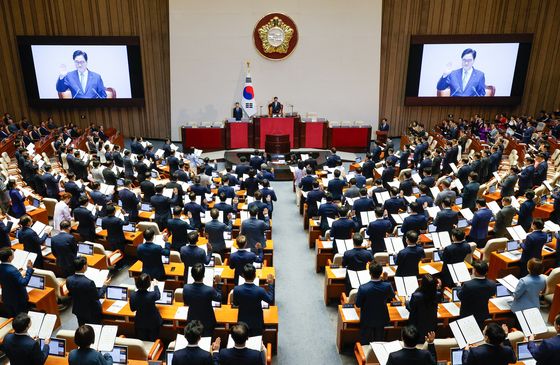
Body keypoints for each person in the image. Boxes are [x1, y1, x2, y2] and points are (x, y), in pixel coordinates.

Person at [355, 261, 395, 344]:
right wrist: (386, 280)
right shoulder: (387, 286)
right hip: (381, 317)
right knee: (379, 341)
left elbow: (358, 304)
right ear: (381, 273)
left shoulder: (363, 288)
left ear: (369, 273)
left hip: (367, 319)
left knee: (365, 341)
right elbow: (392, 296)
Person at [66, 256, 111, 325]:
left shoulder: (69, 279)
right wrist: (105, 285)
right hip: (91, 311)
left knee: (82, 327)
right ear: (84, 267)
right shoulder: (89, 282)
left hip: (78, 309)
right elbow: (97, 296)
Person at [232, 264, 274, 336]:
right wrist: (270, 284)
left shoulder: (236, 289)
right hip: (257, 322)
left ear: (243, 275)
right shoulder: (260, 290)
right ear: (254, 276)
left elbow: (235, 304)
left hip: (242, 322)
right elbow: (270, 300)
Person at [182, 263, 223, 337]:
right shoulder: (209, 290)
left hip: (192, 319)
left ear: (191, 275)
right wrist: (219, 283)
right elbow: (219, 298)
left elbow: (186, 302)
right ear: (204, 275)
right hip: (207, 321)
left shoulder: (186, 288)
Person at [458, 260, 497, 328]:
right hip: (482, 313)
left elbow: (460, 296)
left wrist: (459, 287)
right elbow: (492, 294)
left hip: (467, 314)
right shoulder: (492, 284)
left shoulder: (468, 285)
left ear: (475, 271)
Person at [0, 247, 34, 316]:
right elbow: (24, 282)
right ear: (9, 258)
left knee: (13, 315)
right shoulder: (12, 270)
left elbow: (7, 277)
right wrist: (29, 270)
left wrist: (18, 273)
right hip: (18, 299)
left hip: (7, 297)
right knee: (21, 316)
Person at [406, 275, 440, 341]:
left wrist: (406, 302)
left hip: (416, 326)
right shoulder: (437, 294)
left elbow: (411, 308)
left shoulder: (416, 296)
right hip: (431, 326)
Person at [129, 273, 162, 341]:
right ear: (148, 285)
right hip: (153, 323)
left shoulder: (133, 295)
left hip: (140, 323)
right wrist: (155, 285)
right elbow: (158, 295)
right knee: (153, 340)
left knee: (142, 339)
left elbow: (132, 309)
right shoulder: (152, 295)